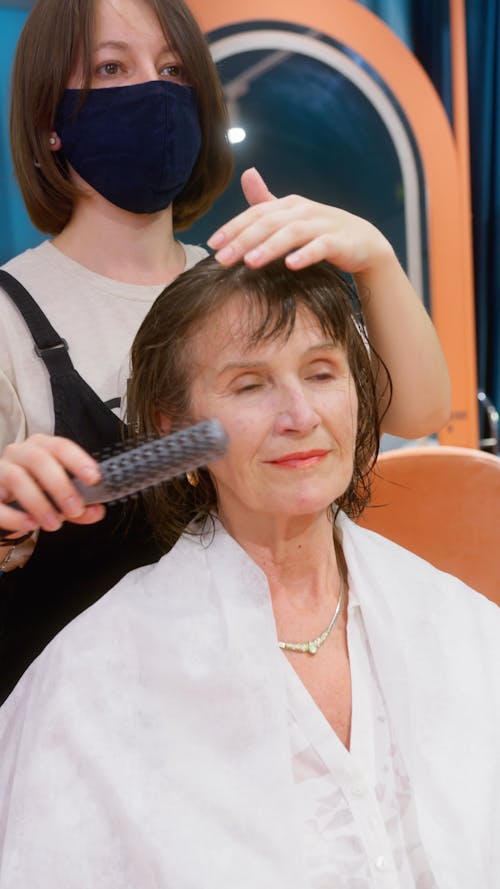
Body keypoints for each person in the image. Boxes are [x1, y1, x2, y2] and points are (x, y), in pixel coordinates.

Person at [0, 0, 450, 700]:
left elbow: (418, 408)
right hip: (80, 736)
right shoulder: (8, 317)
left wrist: (378, 262)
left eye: (174, 69)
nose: (153, 91)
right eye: (112, 67)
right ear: (48, 121)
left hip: (263, 711)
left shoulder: (237, 280)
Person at [0, 256, 497, 889]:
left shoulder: (460, 625)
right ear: (174, 429)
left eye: (321, 373)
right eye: (249, 385)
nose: (299, 415)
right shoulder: (95, 680)